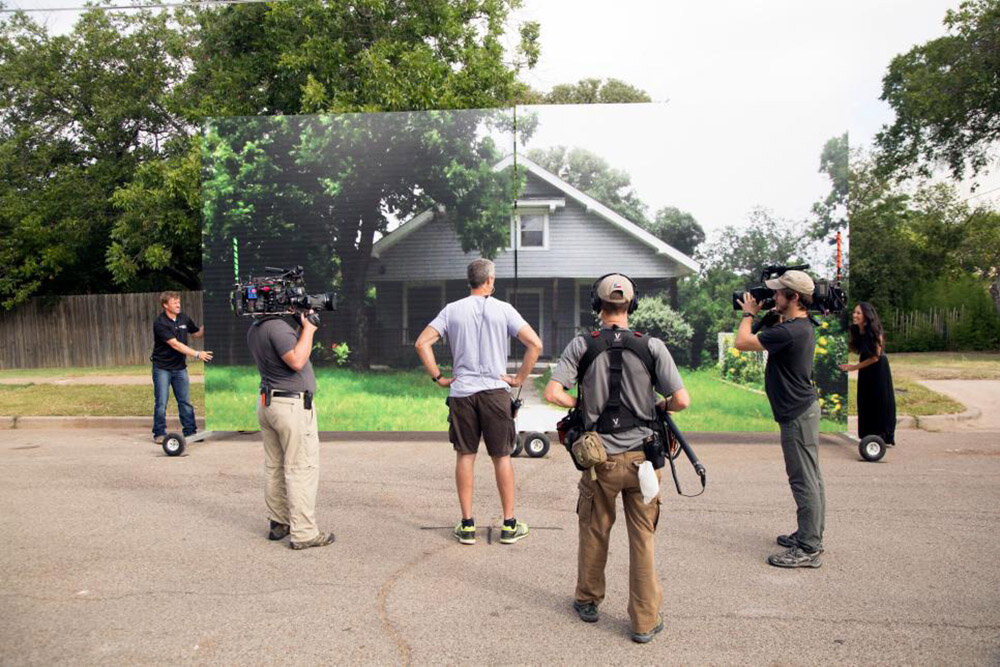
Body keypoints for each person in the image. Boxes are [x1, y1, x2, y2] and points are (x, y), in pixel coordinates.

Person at [544, 273, 690, 644]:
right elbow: (682, 401)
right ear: (632, 305)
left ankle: (588, 601)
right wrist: (658, 405)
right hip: (644, 460)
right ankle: (644, 622)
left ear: (598, 306)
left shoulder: (582, 345)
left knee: (595, 530)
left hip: (599, 462)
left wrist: (583, 404)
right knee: (643, 539)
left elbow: (552, 392)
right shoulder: (651, 346)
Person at [415, 258, 542, 547]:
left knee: (465, 456)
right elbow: (535, 344)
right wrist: (519, 378)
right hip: (496, 393)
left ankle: (468, 525)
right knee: (502, 457)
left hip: (463, 393)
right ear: (490, 280)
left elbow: (422, 343)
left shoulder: (451, 310)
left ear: (470, 280)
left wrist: (439, 378)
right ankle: (510, 525)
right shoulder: (504, 309)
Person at [735, 270, 825, 568]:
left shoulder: (792, 331)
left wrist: (749, 314)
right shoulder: (797, 326)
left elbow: (742, 342)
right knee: (810, 477)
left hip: (797, 414)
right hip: (802, 411)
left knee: (803, 480)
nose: (773, 297)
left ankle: (809, 548)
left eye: (778, 293)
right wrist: (770, 315)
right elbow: (766, 331)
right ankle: (808, 533)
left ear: (794, 297)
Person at [247, 308, 334, 550]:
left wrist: (300, 327)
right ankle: (305, 533)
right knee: (301, 467)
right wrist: (310, 329)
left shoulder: (257, 327)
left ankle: (279, 522)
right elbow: (296, 360)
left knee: (274, 466)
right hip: (291, 406)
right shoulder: (277, 327)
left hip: (269, 402)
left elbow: (286, 350)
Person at [151, 291, 213, 443]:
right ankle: (159, 433)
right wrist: (197, 354)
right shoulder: (160, 323)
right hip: (162, 368)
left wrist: (210, 323)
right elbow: (175, 345)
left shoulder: (184, 318)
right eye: (174, 302)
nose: (178, 305)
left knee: (185, 401)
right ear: (165, 305)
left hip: (180, 368)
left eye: (179, 302)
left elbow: (196, 333)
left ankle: (190, 432)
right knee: (161, 401)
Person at [840, 302, 896, 446]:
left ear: (866, 315)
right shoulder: (857, 330)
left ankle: (883, 434)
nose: (855, 315)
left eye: (858, 313)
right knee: (865, 398)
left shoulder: (874, 331)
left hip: (878, 368)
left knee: (880, 400)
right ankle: (869, 434)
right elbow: (856, 348)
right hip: (866, 368)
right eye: (854, 312)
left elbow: (875, 356)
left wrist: (854, 367)